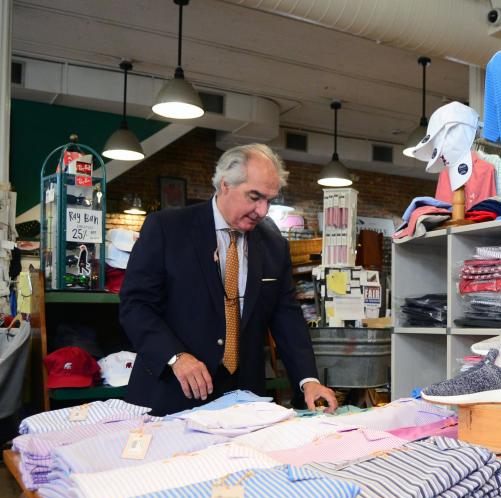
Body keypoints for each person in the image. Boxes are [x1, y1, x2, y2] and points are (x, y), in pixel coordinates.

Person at [119, 144, 338, 416]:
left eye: (269, 200)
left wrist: (309, 381)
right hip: (170, 393)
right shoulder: (167, 229)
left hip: (243, 400)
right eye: (254, 197)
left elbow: (287, 317)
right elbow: (136, 306)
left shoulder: (274, 245)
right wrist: (175, 356)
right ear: (225, 185)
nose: (262, 210)